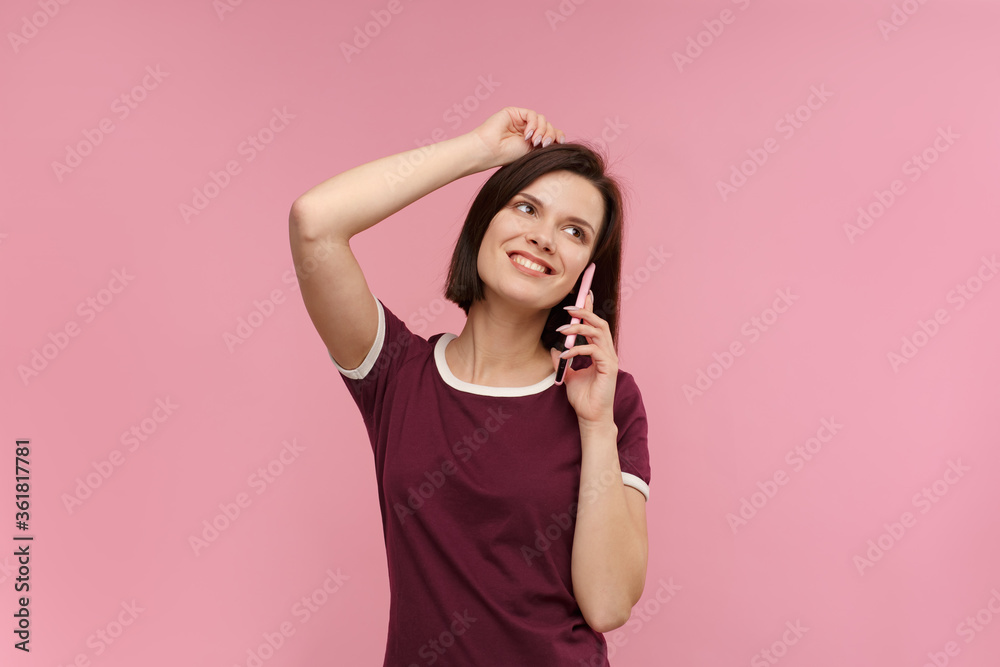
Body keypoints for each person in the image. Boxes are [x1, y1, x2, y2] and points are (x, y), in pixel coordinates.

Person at [288, 107, 651, 666]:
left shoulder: (608, 397)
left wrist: (595, 423)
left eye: (574, 231)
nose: (543, 238)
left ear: (586, 272)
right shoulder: (396, 373)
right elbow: (316, 222)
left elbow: (606, 606)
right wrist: (480, 151)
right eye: (526, 207)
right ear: (484, 221)